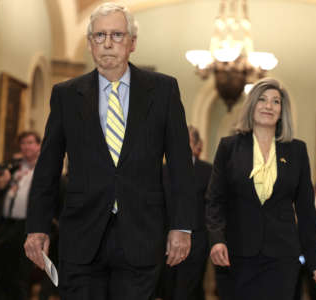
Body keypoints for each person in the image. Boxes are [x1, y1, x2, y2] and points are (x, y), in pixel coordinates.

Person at [24, 3, 197, 300]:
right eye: (99, 35)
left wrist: (182, 227)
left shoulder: (164, 90)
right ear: (90, 42)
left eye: (117, 35)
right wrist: (37, 227)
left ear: (132, 43)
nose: (107, 43)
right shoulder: (66, 94)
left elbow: (181, 166)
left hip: (142, 234)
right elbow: (48, 167)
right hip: (81, 234)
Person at [206, 77, 316, 300]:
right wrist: (216, 240)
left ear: (282, 111)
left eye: (276, 102)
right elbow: (215, 201)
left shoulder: (297, 151)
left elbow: (306, 210)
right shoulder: (228, 147)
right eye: (262, 100)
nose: (268, 106)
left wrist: (315, 258)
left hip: (282, 257)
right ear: (252, 106)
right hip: (235, 255)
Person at [157, 126, 212, 300]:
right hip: (165, 243)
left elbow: (212, 207)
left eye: (185, 140)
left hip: (196, 243)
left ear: (196, 146)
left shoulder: (208, 172)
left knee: (187, 292)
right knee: (167, 291)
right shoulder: (161, 170)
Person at [0, 131, 41, 300]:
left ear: (38, 146)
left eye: (31, 142)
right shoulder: (13, 166)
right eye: (23, 143)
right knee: (2, 272)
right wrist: (1, 182)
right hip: (5, 226)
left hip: (27, 227)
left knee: (21, 275)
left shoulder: (44, 168)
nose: (26, 146)